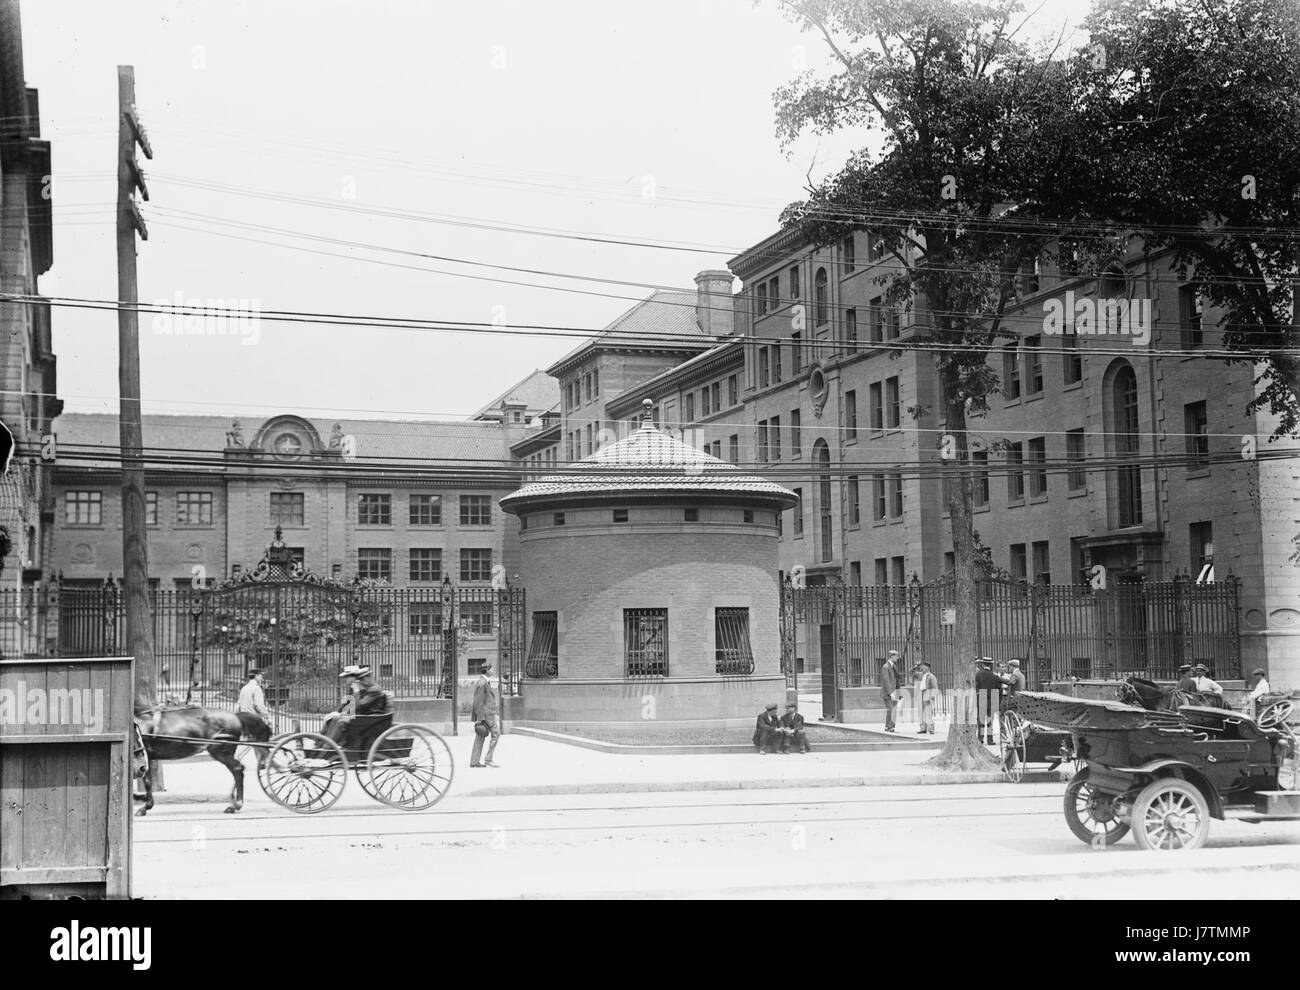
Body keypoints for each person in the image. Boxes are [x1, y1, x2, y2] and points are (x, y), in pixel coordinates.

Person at [322, 665, 392, 749]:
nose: (360, 682)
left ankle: (328, 746)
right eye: (360, 680)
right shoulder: (367, 689)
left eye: (362, 679)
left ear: (368, 678)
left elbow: (360, 705)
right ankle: (324, 743)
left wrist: (356, 692)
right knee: (336, 718)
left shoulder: (374, 689)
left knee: (340, 721)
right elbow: (349, 705)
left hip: (372, 719)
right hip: (365, 717)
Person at [470, 661, 501, 767]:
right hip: (487, 715)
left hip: (485, 715)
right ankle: (488, 759)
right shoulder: (483, 683)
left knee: (480, 737)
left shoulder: (483, 681)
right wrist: (480, 718)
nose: (493, 671)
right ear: (487, 670)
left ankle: (474, 762)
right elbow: (478, 702)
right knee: (496, 734)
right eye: (491, 669)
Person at [974, 658, 1005, 745]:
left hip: (981, 699)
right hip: (991, 700)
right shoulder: (993, 676)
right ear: (991, 665)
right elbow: (1003, 683)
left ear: (983, 665)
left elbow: (975, 685)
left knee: (980, 720)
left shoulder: (978, 674)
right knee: (989, 720)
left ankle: (980, 739)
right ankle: (990, 740)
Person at [880, 650, 903, 733]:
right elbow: (886, 681)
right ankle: (890, 727)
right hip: (888, 693)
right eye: (896, 656)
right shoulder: (886, 667)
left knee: (893, 710)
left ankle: (889, 726)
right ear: (891, 656)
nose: (897, 657)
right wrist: (890, 693)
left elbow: (896, 680)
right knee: (891, 709)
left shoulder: (894, 666)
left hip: (894, 692)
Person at [913, 661, 938, 734]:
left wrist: (931, 697)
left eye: (923, 667)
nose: (921, 668)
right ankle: (923, 728)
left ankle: (931, 729)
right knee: (922, 712)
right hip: (922, 694)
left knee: (928, 712)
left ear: (927, 667)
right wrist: (915, 666)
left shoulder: (931, 676)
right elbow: (911, 673)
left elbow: (934, 688)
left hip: (928, 695)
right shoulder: (922, 675)